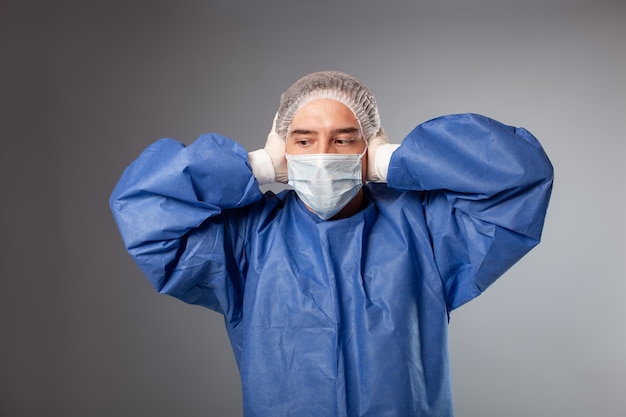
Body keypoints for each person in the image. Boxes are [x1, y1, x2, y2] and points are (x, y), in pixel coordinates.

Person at [110, 71, 553, 416]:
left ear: (368, 146)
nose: (323, 154)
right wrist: (259, 167)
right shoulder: (246, 242)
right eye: (304, 141)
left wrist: (393, 160)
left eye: (344, 139)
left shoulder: (427, 232)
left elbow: (518, 174)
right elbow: (146, 208)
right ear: (285, 150)